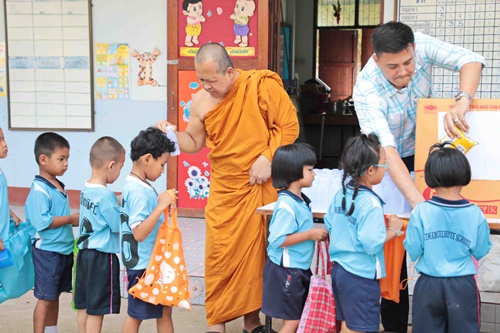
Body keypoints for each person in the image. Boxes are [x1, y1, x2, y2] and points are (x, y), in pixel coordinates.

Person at [157, 42, 299, 333]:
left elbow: (289, 126)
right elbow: (194, 142)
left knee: (256, 255)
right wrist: (172, 135)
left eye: (212, 79)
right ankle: (216, 321)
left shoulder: (260, 86)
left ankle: (251, 322)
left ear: (231, 71)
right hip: (225, 188)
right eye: (201, 79)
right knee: (219, 255)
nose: (206, 86)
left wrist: (268, 157)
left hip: (259, 185)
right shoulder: (200, 101)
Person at [353, 21, 485, 332]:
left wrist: (462, 101)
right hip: (389, 160)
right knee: (395, 243)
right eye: (393, 67)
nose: (403, 72)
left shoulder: (421, 44)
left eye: (409, 62)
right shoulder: (367, 89)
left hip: (428, 151)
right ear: (376, 60)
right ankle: (396, 324)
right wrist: (422, 205)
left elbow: (472, 60)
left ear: (414, 49)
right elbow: (388, 154)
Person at [403, 142, 492, 333]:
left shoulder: (421, 211)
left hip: (428, 284)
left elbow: (413, 248)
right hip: (462, 286)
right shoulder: (475, 213)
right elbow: (481, 250)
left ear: (430, 177)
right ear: (464, 174)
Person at [324, 133, 404, 333]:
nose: (386, 170)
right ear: (370, 170)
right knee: (361, 328)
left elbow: (330, 223)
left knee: (347, 325)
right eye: (384, 165)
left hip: (340, 272)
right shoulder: (370, 203)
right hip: (361, 277)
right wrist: (393, 230)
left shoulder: (342, 193)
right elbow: (371, 243)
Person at [261, 143, 329, 333]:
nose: (314, 174)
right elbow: (277, 240)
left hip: (297, 268)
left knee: (297, 318)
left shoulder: (299, 200)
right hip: (287, 271)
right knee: (292, 321)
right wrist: (310, 234)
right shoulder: (287, 205)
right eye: (309, 169)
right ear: (293, 172)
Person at [120, 127, 177, 333]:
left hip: (149, 263)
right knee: (136, 315)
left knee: (164, 310)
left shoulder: (137, 185)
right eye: (162, 164)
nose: (162, 170)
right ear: (146, 159)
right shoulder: (138, 191)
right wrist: (161, 206)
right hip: (144, 267)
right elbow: (139, 233)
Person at [25, 132, 80, 333]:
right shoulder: (40, 189)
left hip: (63, 250)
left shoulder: (57, 185)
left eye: (67, 159)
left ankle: (51, 330)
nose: (66, 164)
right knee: (45, 298)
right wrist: (72, 219)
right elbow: (43, 222)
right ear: (43, 159)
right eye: (61, 159)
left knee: (54, 295)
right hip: (47, 252)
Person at [74, 137, 126, 333]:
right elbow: (115, 225)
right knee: (97, 310)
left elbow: (101, 208)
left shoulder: (86, 187)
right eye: (120, 168)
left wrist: (117, 200)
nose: (119, 173)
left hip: (84, 254)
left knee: (85, 305)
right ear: (111, 165)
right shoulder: (106, 195)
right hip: (102, 258)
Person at [0, 127, 22, 251]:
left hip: (4, 237)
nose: (4, 144)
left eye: (3, 138)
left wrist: (11, 214)